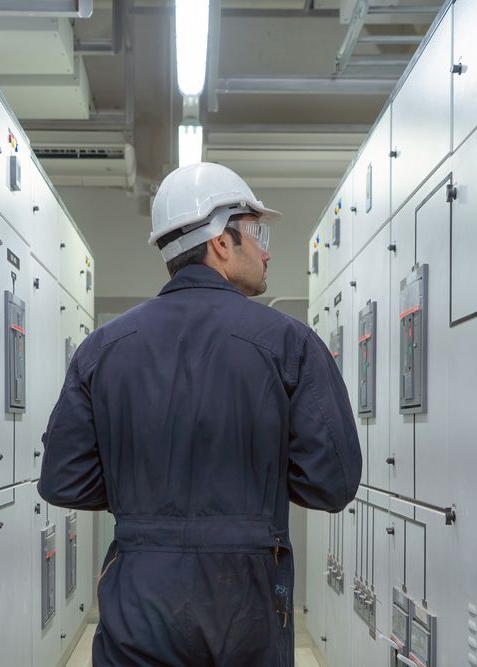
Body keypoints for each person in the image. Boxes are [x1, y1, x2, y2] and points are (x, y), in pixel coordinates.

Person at [38, 162, 362, 666]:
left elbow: (64, 480)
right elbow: (332, 482)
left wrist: (142, 500)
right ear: (219, 241)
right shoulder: (289, 343)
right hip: (247, 602)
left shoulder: (102, 348)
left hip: (137, 597)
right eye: (256, 232)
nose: (267, 248)